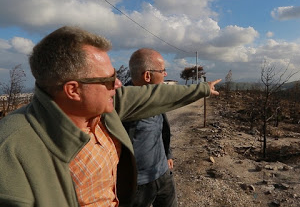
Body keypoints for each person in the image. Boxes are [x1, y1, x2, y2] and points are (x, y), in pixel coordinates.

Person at [0, 26, 221, 207]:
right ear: (73, 90)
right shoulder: (11, 148)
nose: (117, 84)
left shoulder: (106, 107)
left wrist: (202, 89)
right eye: (108, 80)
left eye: (115, 75)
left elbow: (155, 94)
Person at [123, 48, 176, 207]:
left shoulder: (155, 97)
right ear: (147, 75)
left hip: (164, 174)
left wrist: (168, 154)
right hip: (138, 185)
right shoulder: (122, 105)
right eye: (163, 70)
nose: (165, 74)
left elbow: (161, 128)